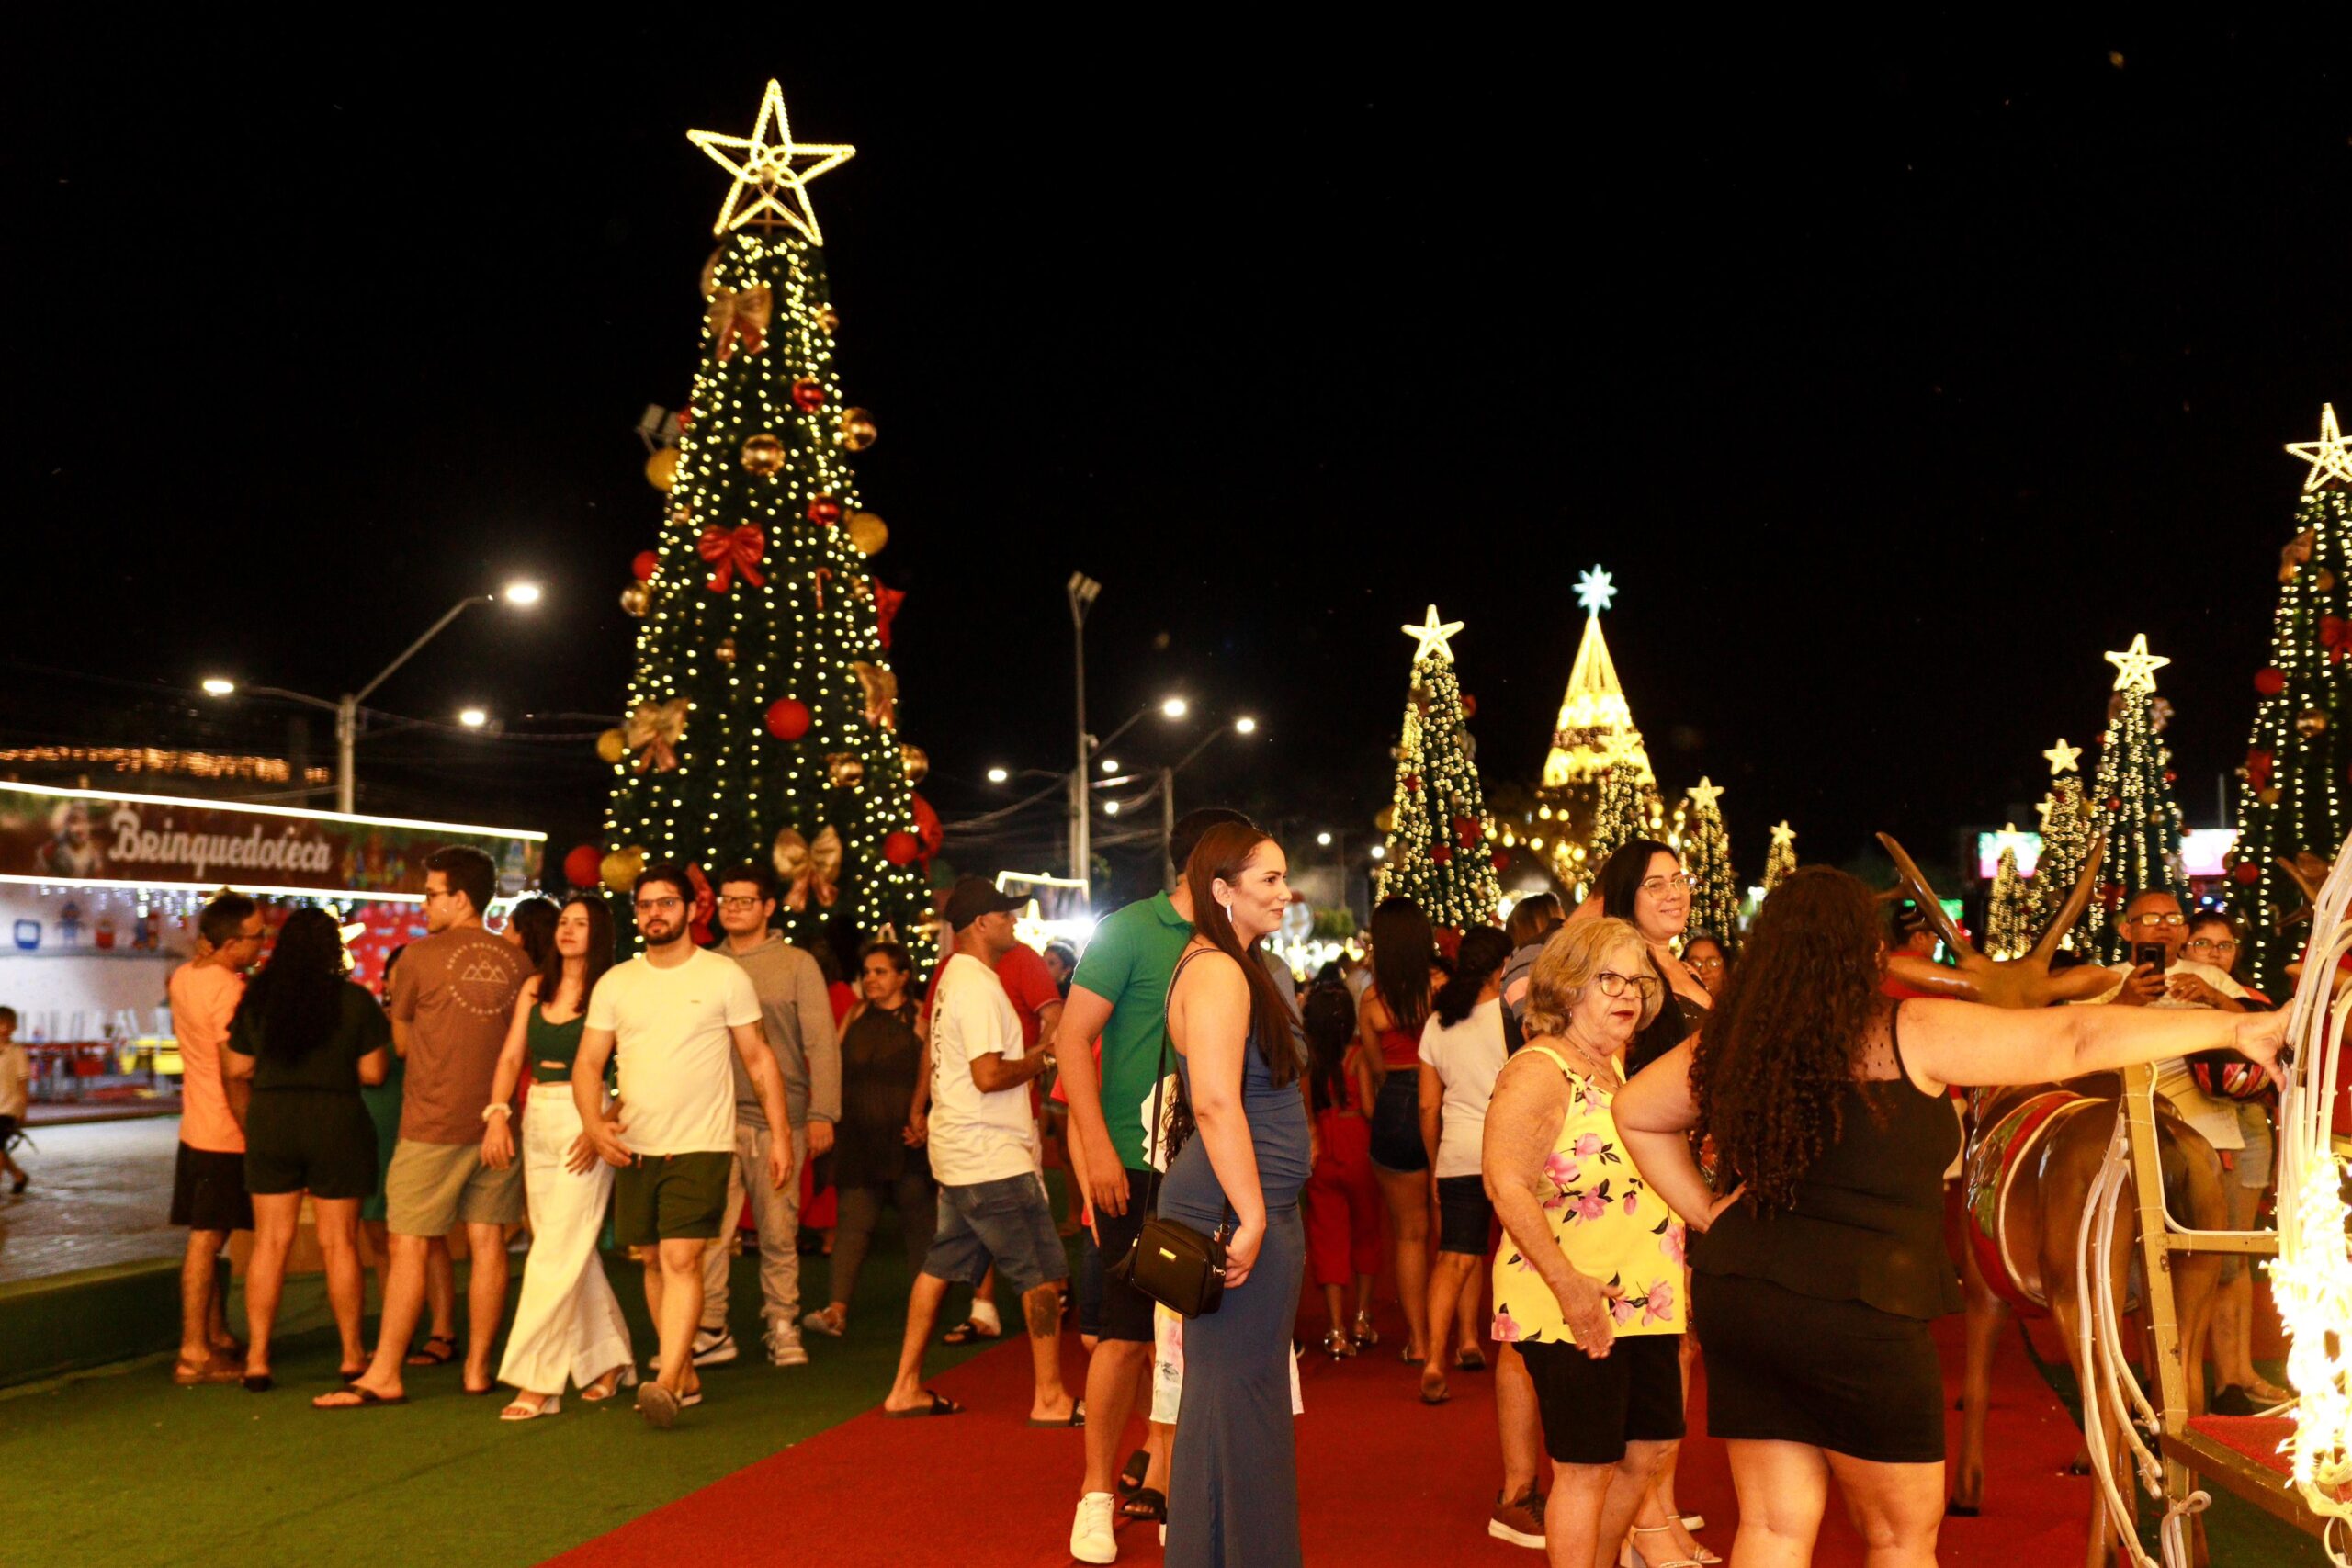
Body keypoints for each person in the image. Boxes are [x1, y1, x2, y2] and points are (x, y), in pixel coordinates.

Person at [1611, 866, 2288, 1567]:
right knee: (1900, 1540)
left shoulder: (1734, 1041)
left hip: (1747, 1295)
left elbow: (1634, 1112)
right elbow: (2073, 1040)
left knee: (1774, 1529)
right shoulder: (1907, 1028)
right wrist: (2238, 1026)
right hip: (1862, 1308)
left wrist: (1711, 1215)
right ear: (1867, 954)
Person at [1062, 807, 1256, 1563]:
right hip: (1136, 1166)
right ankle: (1095, 1493)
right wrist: (1098, 1151)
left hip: (1214, 1164)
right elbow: (1071, 1040)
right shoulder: (1130, 930)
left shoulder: (1237, 940)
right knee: (1121, 1335)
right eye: (1252, 864)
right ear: (1211, 865)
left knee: (1201, 1334)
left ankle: (1181, 1482)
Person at [1482, 917, 1689, 1568]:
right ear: (1569, 986)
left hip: (1642, 1294)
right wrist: (1568, 1284)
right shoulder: (1540, 1067)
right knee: (1585, 1464)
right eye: (1609, 979)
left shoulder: (1614, 1066)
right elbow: (1505, 1182)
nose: (1628, 992)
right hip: (1568, 1294)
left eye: (1637, 980)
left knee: (1649, 1447)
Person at [565, 864, 794, 1428]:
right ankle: (683, 1369)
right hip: (635, 1144)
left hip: (703, 1144)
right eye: (645, 905)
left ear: (693, 909)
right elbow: (589, 1064)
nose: (654, 914)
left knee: (681, 1256)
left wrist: (781, 1135)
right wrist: (594, 1126)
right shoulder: (617, 982)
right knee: (651, 1261)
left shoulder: (723, 977)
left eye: (666, 903)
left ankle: (666, 1380)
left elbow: (759, 1057)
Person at [316, 846, 531, 1409]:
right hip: (498, 1124)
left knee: (408, 1244)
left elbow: (404, 1043)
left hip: (432, 1121)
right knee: (488, 1245)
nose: (425, 902)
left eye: (432, 893)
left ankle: (385, 1372)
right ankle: (479, 1370)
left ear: (460, 897)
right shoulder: (518, 964)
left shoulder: (417, 957)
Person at [1157, 821, 1310, 1568]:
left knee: (1233, 1402)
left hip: (1250, 1207)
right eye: (1269, 880)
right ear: (1222, 890)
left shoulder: (1234, 964)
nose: (1286, 892)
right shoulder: (1217, 970)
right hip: (1232, 1211)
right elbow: (1216, 1103)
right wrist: (1251, 1216)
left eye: (1285, 877)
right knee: (1237, 1403)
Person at [879, 876, 1076, 1426]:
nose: (1014, 922)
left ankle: (905, 1387)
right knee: (1040, 1273)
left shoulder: (953, 979)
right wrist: (1043, 1058)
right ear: (981, 924)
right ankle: (1051, 1397)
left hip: (959, 1149)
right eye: (1006, 915)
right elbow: (989, 1075)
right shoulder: (978, 986)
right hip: (991, 1153)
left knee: (940, 1265)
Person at [1595, 839, 1714, 1559]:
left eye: (1680, 879)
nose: (1674, 892)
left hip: (1694, 1167)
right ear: (1624, 896)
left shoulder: (1676, 961)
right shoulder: (1625, 961)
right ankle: (1645, 1521)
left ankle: (1661, 1511)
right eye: (1655, 883)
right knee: (1663, 1348)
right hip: (1652, 1170)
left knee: (1683, 1347)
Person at [222, 908, 390, 1392]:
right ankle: (352, 1354)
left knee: (270, 1243)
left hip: (273, 1118)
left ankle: (257, 1358)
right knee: (338, 1242)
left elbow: (236, 1067)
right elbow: (375, 1073)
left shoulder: (258, 998)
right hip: (336, 1119)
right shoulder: (355, 1001)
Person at [485, 895, 635, 1419]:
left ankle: (537, 1381)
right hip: (536, 1116)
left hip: (584, 1120)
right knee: (564, 1247)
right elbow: (510, 1056)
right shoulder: (535, 986)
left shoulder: (614, 989)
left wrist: (602, 1123)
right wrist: (498, 1112)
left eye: (582, 923)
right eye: (564, 922)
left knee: (553, 1253)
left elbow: (637, 1069)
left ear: (601, 934)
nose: (569, 931)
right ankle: (609, 1359)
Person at [695, 863, 839, 1370]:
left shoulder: (796, 964)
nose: (733, 908)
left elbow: (821, 1042)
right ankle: (711, 1327)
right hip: (712, 1118)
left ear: (768, 907)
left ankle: (782, 1323)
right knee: (712, 1231)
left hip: (783, 1120)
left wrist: (823, 1112)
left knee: (779, 1230)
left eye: (744, 900)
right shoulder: (702, 964)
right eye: (727, 900)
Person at [2178, 910, 2290, 1412]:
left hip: (2246, 1126)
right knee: (2202, 1259)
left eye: (2223, 947)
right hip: (2195, 1129)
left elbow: (2278, 1038)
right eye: (2203, 944)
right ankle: (2190, 1383)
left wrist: (2221, 998)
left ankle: (2237, 1373)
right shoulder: (2169, 991)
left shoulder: (2245, 996)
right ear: (2184, 946)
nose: (2213, 955)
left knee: (2235, 1256)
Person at [802, 940, 934, 1339]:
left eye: (881, 972)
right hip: (859, 1138)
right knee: (852, 1224)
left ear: (903, 977)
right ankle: (836, 1310)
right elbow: (832, 1065)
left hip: (907, 1138)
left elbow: (933, 1073)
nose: (871, 979)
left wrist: (922, 1118)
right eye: (868, 972)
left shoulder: (919, 1020)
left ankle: (922, 1312)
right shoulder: (856, 1013)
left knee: (919, 1226)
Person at [167, 891, 266, 1386]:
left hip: (195, 1126)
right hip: (224, 1131)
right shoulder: (228, 989)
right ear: (229, 945)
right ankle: (193, 1353)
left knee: (213, 1234)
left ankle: (215, 1334)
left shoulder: (185, 977)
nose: (261, 946)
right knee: (207, 1239)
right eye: (255, 938)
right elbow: (235, 1071)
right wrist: (254, 1131)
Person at [1418, 924, 1512, 1406]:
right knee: (1520, 1251)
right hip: (1512, 1151)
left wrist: (1435, 1163)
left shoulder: (1439, 1022)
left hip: (1457, 1151)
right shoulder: (1513, 1017)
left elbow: (1428, 1107)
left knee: (1456, 1254)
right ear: (1501, 968)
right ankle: (1493, 1344)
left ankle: (1440, 1358)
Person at [359, 947, 458, 1372]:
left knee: (426, 1235)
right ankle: (395, 1334)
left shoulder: (432, 1021)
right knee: (380, 1235)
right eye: (398, 974)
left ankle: (443, 1331)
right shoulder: (371, 1021)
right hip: (371, 1134)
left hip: (418, 1131)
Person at [1360, 895, 1442, 1362]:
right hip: (1446, 1107)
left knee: (1409, 1233)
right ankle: (1460, 1331)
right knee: (1449, 1229)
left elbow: (1375, 1069)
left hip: (1395, 1107)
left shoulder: (1373, 1000)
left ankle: (1420, 1340)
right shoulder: (1445, 989)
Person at [1302, 986, 1379, 1357]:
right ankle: (1362, 1317)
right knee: (1366, 1232)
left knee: (1327, 1237)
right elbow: (1367, 1107)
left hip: (1322, 1150)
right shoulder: (1358, 1057)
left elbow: (1305, 1111)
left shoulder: (1309, 1062)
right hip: (1357, 1144)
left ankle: (1335, 1329)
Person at [0, 1007, 29, 1194]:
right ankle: (18, 1175)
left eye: (6, 1024)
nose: (2, 1028)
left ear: (14, 1027)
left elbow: (23, 1082)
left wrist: (23, 1108)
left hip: (9, 1107)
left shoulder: (17, 1052)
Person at [503, 896, 560, 970]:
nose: (501, 933)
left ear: (523, 934)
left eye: (506, 926)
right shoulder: (555, 973)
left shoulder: (513, 974)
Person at [1680, 933, 1731, 1001]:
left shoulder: (1739, 1007)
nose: (1703, 970)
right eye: (1695, 963)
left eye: (1713, 963)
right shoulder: (1676, 1007)